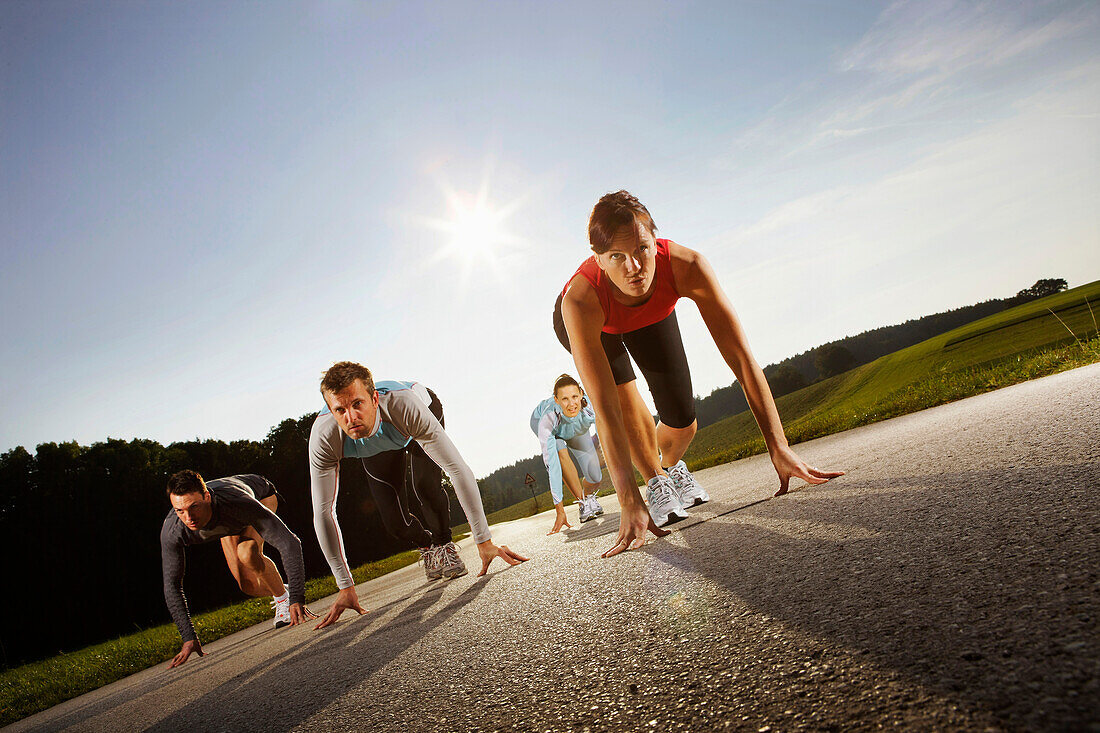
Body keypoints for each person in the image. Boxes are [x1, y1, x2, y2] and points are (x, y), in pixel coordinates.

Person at [556, 190, 844, 556]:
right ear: (597, 259)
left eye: (642, 250)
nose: (634, 268)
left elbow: (742, 360)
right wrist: (627, 498)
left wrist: (779, 446)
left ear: (654, 239)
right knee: (624, 398)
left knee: (683, 422)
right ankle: (655, 480)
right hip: (597, 323)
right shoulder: (581, 299)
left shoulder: (686, 265)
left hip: (649, 314)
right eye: (616, 257)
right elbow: (605, 409)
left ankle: (670, 466)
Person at [309, 361, 528, 629]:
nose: (351, 418)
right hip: (380, 442)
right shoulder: (324, 438)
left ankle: (444, 543)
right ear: (331, 412)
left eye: (357, 404)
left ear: (374, 398)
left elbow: (457, 469)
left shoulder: (403, 405)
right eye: (340, 410)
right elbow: (323, 512)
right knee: (394, 522)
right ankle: (428, 545)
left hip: (415, 415)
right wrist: (345, 586)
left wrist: (484, 540)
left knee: (425, 484)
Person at [160, 471, 312, 668]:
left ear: (207, 497)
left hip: (260, 496)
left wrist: (298, 598)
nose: (188, 517)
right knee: (247, 585)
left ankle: (285, 599)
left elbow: (290, 543)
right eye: (180, 510)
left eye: (193, 507)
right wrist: (189, 637)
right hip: (226, 519)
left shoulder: (237, 503)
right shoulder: (173, 530)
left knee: (247, 553)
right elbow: (172, 585)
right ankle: (283, 591)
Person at [530, 374, 605, 534]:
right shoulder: (547, 418)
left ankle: (589, 496)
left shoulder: (591, 407)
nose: (571, 404)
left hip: (576, 429)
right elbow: (553, 464)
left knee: (595, 477)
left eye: (574, 397)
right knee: (560, 453)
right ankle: (583, 503)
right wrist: (560, 511)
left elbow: (607, 440)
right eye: (565, 399)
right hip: (552, 428)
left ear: (581, 394)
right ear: (556, 399)